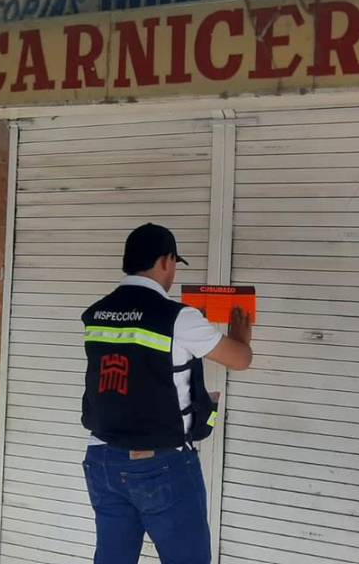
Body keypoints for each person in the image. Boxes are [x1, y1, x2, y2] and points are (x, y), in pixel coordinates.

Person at [80, 223, 253, 564]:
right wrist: (240, 333)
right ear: (166, 261)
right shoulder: (177, 318)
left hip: (104, 461)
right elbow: (240, 359)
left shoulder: (97, 312)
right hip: (160, 464)